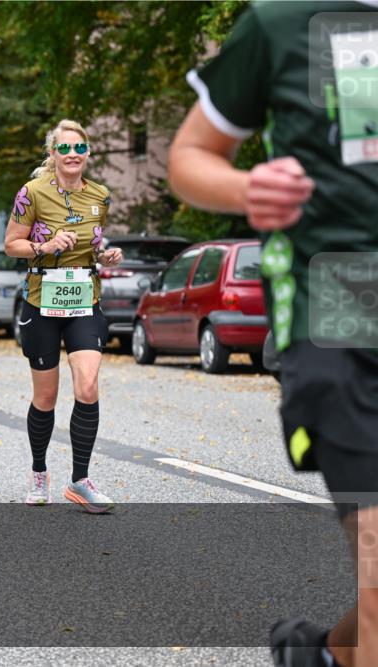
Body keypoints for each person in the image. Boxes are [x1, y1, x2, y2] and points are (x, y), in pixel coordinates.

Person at [167, 4, 377, 666]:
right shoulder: (282, 20)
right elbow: (190, 155)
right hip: (336, 320)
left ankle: (319, 655)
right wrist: (246, 186)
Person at [3, 119, 123, 513]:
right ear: (53, 154)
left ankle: (80, 480)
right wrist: (47, 244)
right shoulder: (32, 193)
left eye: (80, 149)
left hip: (84, 298)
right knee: (47, 396)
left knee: (87, 386)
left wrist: (105, 256)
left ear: (88, 154)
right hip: (42, 301)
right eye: (65, 149)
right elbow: (11, 245)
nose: (73, 155)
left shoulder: (100, 196)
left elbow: (94, 245)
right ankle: (39, 474)